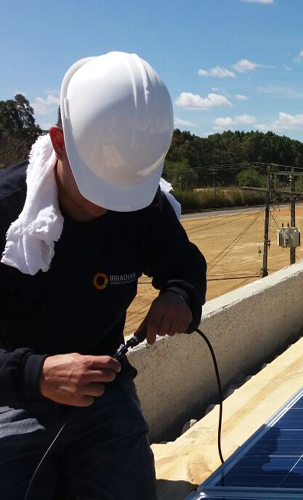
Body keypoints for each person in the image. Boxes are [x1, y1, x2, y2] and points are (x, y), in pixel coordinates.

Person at [0, 52, 207, 499]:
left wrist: (180, 296)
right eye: (99, 187)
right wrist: (37, 372)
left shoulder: (140, 202)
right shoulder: (7, 211)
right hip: (12, 391)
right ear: (58, 142)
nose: (112, 206)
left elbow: (186, 265)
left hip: (101, 391)